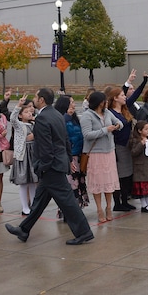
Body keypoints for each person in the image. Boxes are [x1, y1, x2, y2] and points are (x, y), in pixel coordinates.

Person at [5, 88, 94, 245]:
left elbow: (45, 146)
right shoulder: (57, 115)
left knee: (67, 201)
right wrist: (67, 159)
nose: (33, 99)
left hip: (51, 167)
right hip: (57, 163)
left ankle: (84, 232)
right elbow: (65, 140)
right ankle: (24, 230)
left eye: (36, 97)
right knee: (39, 200)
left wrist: (43, 165)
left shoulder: (43, 118)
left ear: (41, 100)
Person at [80, 91, 122, 223]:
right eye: (105, 101)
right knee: (98, 182)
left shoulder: (107, 112)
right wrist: (105, 130)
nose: (107, 103)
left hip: (109, 150)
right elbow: (87, 135)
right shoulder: (87, 116)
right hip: (95, 153)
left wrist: (118, 125)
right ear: (99, 102)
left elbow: (119, 121)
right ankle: (99, 209)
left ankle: (109, 206)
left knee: (109, 182)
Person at [54, 95, 89, 213]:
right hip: (69, 157)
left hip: (78, 155)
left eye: (73, 102)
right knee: (71, 184)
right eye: (70, 103)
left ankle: (77, 208)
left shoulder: (73, 118)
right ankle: (68, 210)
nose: (73, 105)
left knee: (78, 182)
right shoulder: (62, 119)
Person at [8, 96, 39, 216]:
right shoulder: (19, 125)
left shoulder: (33, 124)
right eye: (25, 112)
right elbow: (12, 119)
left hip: (33, 154)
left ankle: (33, 205)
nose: (29, 113)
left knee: (32, 182)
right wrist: (18, 106)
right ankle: (25, 207)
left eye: (30, 112)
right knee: (24, 183)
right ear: (20, 115)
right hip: (23, 155)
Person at [106, 87, 136, 211]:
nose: (125, 97)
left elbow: (134, 96)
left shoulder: (124, 110)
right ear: (115, 98)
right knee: (120, 176)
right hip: (118, 146)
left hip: (127, 145)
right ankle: (117, 203)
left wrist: (144, 81)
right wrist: (127, 82)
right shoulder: (110, 113)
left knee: (128, 175)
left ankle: (125, 200)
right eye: (122, 95)